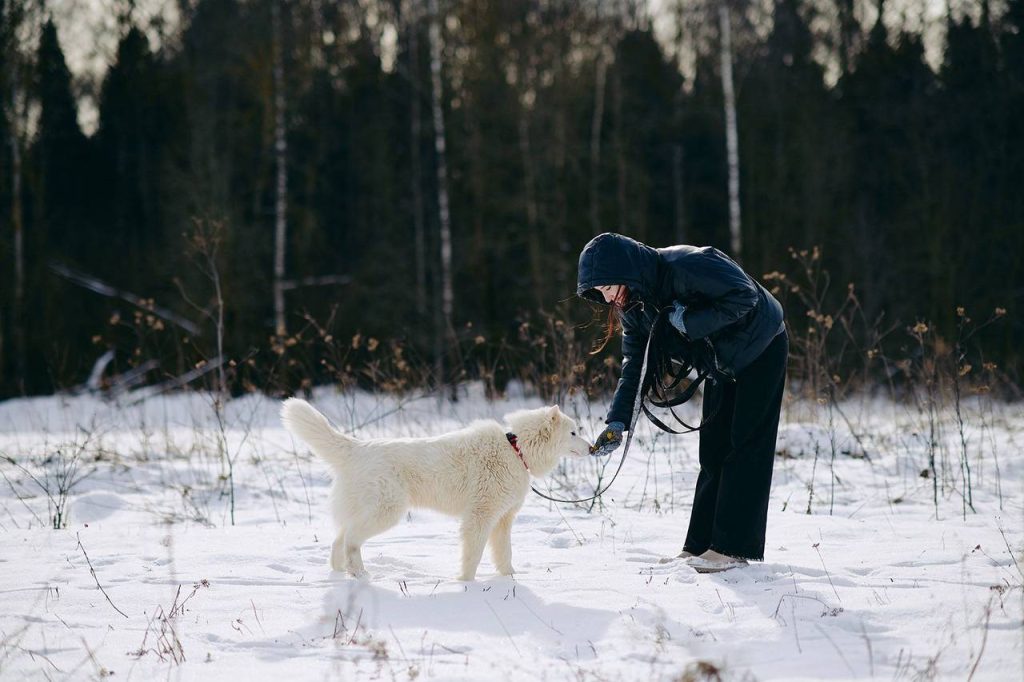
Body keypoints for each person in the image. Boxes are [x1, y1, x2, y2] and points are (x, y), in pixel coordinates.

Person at [576, 232, 787, 573]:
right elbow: (635, 365)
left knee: (745, 446)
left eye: (607, 287)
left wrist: (688, 322)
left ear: (626, 269)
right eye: (599, 293)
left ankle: (731, 548)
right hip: (720, 361)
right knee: (713, 451)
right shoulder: (634, 306)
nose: (608, 298)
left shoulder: (688, 263)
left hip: (761, 347)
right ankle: (699, 546)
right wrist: (618, 422)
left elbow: (744, 297)